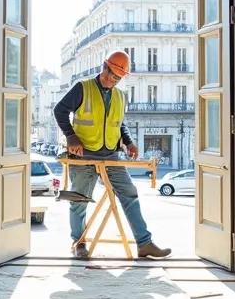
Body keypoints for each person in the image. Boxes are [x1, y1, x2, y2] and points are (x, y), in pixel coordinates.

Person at [53, 50, 173, 260]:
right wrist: (71, 136)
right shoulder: (83, 88)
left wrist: (128, 142)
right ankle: (79, 242)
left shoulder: (119, 96)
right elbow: (59, 110)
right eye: (111, 75)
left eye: (118, 78)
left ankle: (144, 244)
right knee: (79, 199)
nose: (112, 81)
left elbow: (118, 124)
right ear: (104, 67)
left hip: (110, 155)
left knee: (130, 194)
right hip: (84, 155)